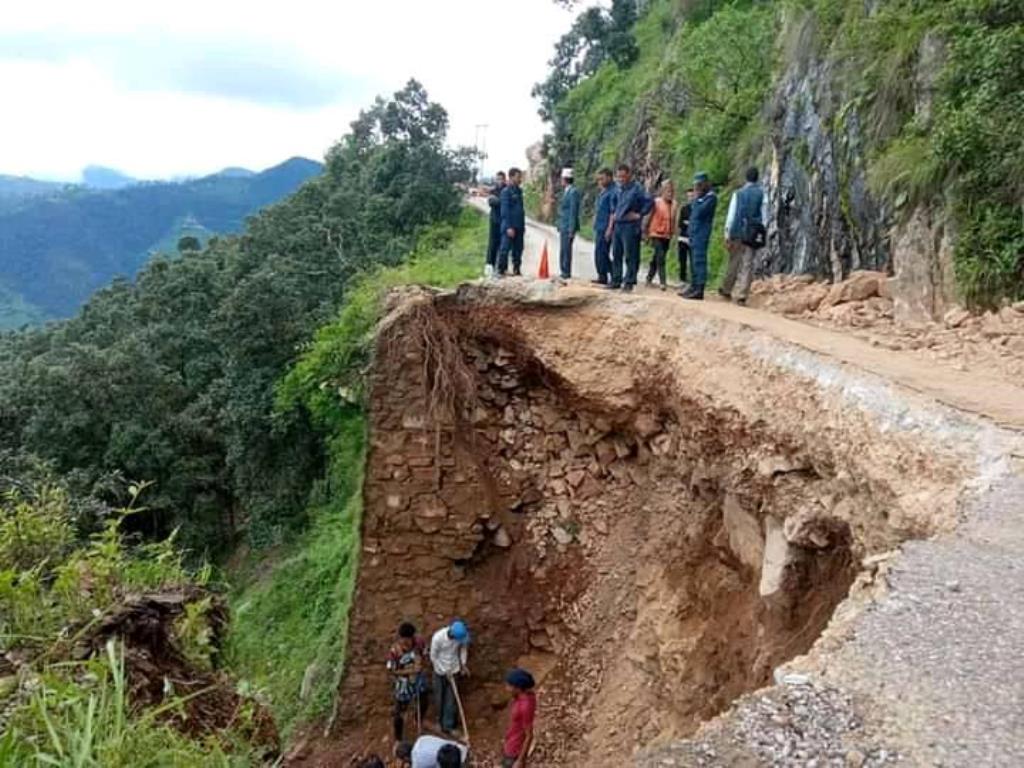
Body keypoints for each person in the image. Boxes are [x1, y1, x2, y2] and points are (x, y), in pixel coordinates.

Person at [721, 166, 766, 306]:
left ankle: (727, 289)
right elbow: (765, 214)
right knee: (748, 263)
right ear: (757, 178)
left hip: (738, 231)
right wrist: (762, 229)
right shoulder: (762, 194)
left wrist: (727, 233)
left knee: (734, 261)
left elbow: (731, 214)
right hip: (753, 232)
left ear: (746, 178)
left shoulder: (738, 194)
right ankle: (742, 295)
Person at [607, 163, 653, 292]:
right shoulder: (618, 189)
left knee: (630, 255)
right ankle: (616, 279)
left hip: (630, 226)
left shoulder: (637, 189)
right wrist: (614, 217)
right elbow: (613, 204)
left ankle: (629, 281)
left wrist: (639, 214)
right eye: (619, 177)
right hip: (618, 224)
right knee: (616, 253)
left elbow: (649, 201)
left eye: (623, 176)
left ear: (629, 175)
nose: (621, 179)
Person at [387, 622, 429, 742]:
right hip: (404, 685)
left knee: (424, 701)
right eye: (403, 640)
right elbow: (393, 670)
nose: (406, 643)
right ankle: (398, 739)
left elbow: (425, 656)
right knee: (399, 712)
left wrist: (420, 665)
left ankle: (418, 720)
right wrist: (408, 671)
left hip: (419, 680)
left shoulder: (419, 643)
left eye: (408, 640)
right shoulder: (394, 651)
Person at [680, 172, 717, 300]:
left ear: (706, 184)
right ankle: (693, 285)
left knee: (699, 261)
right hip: (693, 233)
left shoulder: (711, 198)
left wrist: (697, 199)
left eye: (700, 185)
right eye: (696, 185)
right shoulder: (700, 198)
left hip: (701, 234)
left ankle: (699, 288)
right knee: (693, 262)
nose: (697, 188)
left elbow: (700, 212)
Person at [430, 620, 470, 736]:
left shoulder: (461, 638)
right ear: (452, 635)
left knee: (451, 700)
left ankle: (448, 726)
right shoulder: (438, 638)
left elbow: (463, 649)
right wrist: (443, 670)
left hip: (454, 670)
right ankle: (439, 723)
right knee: (439, 698)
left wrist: (463, 664)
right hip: (440, 672)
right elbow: (433, 657)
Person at [644, 180, 677, 291]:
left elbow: (673, 221)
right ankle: (663, 282)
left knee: (657, 257)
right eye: (667, 191)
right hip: (656, 233)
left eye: (671, 192)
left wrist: (673, 233)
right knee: (661, 257)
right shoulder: (656, 202)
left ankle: (649, 278)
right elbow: (649, 216)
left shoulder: (674, 204)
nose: (670, 194)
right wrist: (645, 230)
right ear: (662, 191)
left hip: (667, 235)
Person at [501, 668, 537, 768]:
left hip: (514, 750)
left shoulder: (525, 706)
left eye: (509, 686)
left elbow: (529, 735)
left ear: (518, 688)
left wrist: (520, 760)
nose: (506, 689)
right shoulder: (526, 697)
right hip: (511, 743)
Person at [498, 168, 525, 277]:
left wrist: (522, 225)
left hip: (519, 226)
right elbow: (505, 211)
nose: (520, 179)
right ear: (512, 177)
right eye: (518, 177)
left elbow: (521, 209)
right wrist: (509, 227)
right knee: (505, 249)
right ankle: (501, 270)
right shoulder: (506, 192)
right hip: (509, 226)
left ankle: (516, 269)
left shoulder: (519, 191)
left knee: (518, 249)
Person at [592, 168, 616, 285]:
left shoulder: (613, 191)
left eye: (602, 178)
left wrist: (609, 228)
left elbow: (613, 212)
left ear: (609, 177)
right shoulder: (603, 191)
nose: (600, 181)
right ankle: (602, 276)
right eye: (599, 179)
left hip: (605, 227)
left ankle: (614, 274)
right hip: (599, 226)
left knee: (603, 253)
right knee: (599, 253)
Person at [557, 167, 581, 280]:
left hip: (568, 226)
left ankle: (566, 272)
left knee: (566, 250)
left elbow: (573, 211)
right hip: (563, 225)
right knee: (563, 249)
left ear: (565, 179)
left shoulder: (573, 192)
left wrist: (572, 229)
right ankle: (563, 270)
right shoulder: (566, 191)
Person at [396, 736, 469, 768]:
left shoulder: (417, 763)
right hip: (461, 750)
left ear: (405, 758)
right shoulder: (421, 739)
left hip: (455, 763)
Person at [486, 171, 507, 271]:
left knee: (503, 246)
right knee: (492, 245)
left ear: (504, 179)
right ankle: (490, 266)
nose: (500, 181)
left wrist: (499, 201)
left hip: (504, 221)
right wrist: (501, 201)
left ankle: (501, 268)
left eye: (501, 179)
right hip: (494, 221)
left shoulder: (507, 190)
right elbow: (491, 201)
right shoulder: (493, 191)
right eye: (498, 179)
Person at [677, 187, 696, 286]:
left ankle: (693, 279)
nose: (690, 198)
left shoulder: (697, 208)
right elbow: (680, 223)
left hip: (693, 238)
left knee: (693, 259)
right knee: (682, 259)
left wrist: (688, 223)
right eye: (688, 196)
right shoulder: (684, 208)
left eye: (692, 196)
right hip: (683, 237)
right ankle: (682, 278)